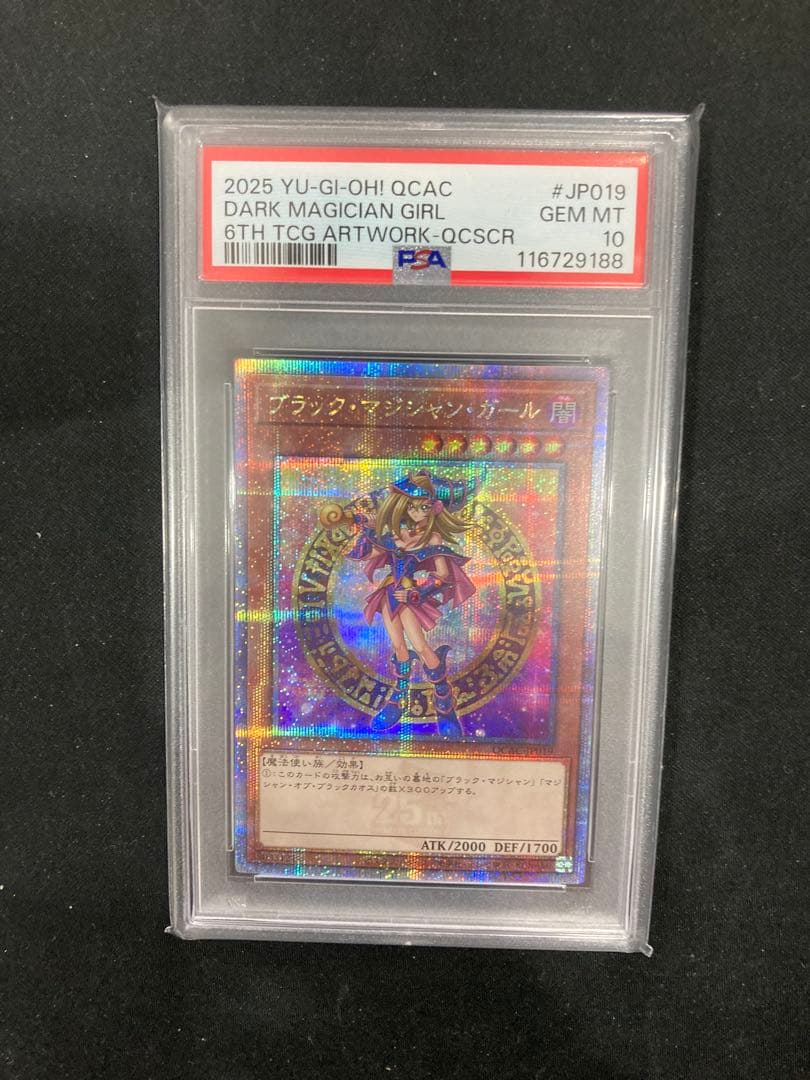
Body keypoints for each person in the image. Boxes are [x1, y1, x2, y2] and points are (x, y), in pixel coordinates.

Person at [319, 470, 479, 737]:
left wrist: (418, 593)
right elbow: (361, 554)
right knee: (398, 645)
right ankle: (398, 697)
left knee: (420, 645)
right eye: (412, 507)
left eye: (424, 507)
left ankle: (444, 701)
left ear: (434, 508)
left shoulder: (432, 538)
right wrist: (365, 528)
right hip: (389, 594)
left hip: (409, 596)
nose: (417, 513)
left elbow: (442, 575)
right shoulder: (395, 535)